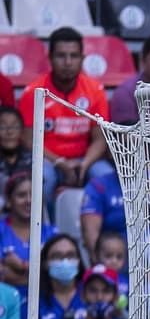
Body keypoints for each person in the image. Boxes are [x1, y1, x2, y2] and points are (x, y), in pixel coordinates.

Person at [17, 27, 115, 212]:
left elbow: (100, 139)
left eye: (74, 55)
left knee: (105, 176)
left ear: (82, 58)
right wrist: (60, 162)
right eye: (61, 56)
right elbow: (29, 140)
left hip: (84, 159)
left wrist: (84, 165)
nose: (68, 62)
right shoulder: (34, 91)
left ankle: (101, 235)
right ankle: (49, 231)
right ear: (50, 58)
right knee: (42, 179)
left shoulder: (95, 90)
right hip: (47, 159)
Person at [0, 174, 57, 290]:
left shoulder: (51, 233)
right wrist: (38, 272)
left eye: (34, 195)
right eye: (21, 195)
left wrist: (22, 267)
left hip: (44, 304)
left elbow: (56, 276)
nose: (29, 200)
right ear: (9, 200)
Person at [0, 105, 33, 192]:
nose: (9, 132)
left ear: (22, 131)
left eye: (15, 127)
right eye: (3, 127)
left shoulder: (32, 160)